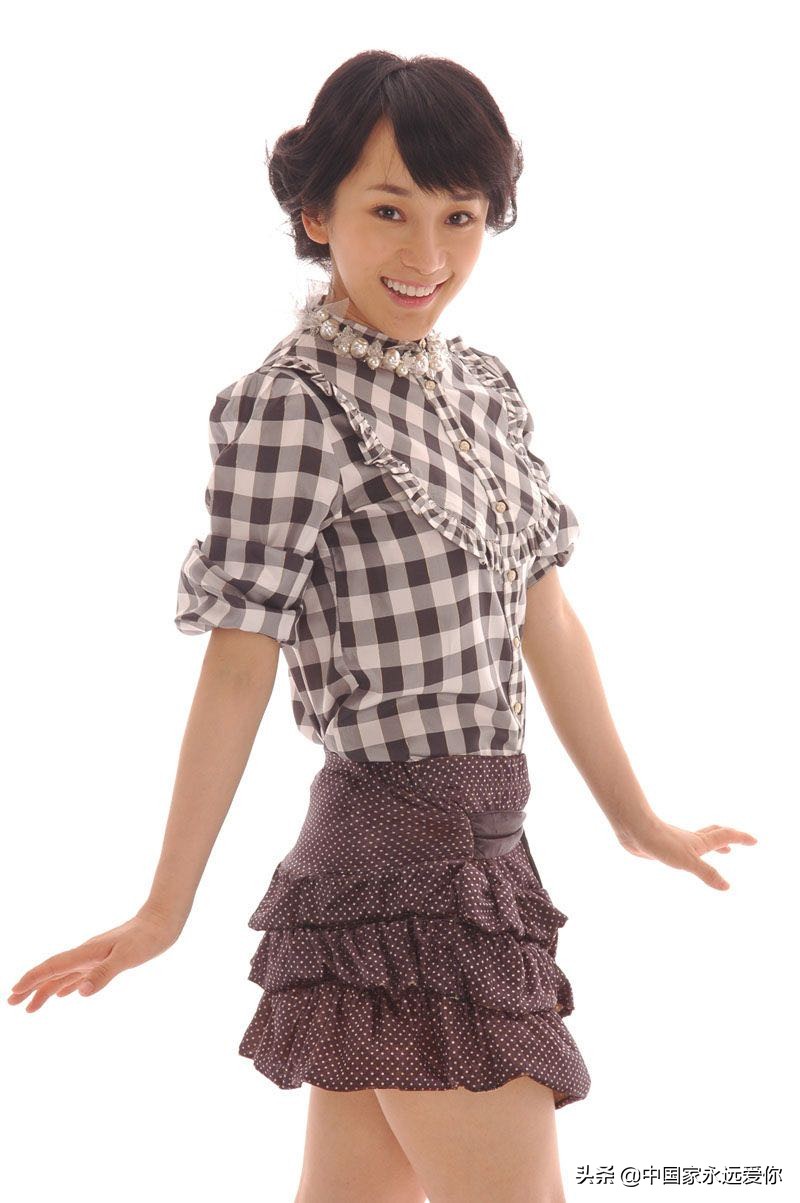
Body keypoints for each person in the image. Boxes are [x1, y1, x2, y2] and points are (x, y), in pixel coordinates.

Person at [8, 50, 757, 1203]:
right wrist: (165, 906)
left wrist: (634, 820)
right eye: (388, 210)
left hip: (474, 856)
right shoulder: (293, 403)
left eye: (459, 216)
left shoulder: (481, 390)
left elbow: (546, 616)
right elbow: (240, 658)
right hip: (404, 864)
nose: (427, 256)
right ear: (316, 214)